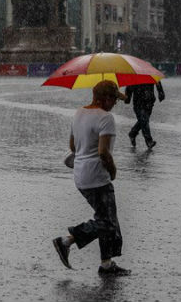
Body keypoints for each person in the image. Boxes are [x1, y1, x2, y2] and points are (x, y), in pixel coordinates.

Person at [53, 80, 131, 277]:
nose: (114, 103)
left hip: (80, 176)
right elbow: (104, 152)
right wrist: (112, 170)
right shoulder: (106, 118)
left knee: (107, 217)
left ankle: (106, 264)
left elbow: (73, 146)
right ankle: (66, 241)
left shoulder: (79, 113)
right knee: (108, 222)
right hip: (97, 177)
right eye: (113, 99)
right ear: (104, 98)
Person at [124, 82, 165, 149]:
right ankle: (149, 141)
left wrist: (161, 93)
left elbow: (157, 81)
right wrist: (127, 99)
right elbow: (129, 87)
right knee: (144, 120)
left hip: (149, 102)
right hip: (138, 103)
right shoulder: (135, 76)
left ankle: (132, 133)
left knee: (143, 121)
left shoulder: (149, 73)